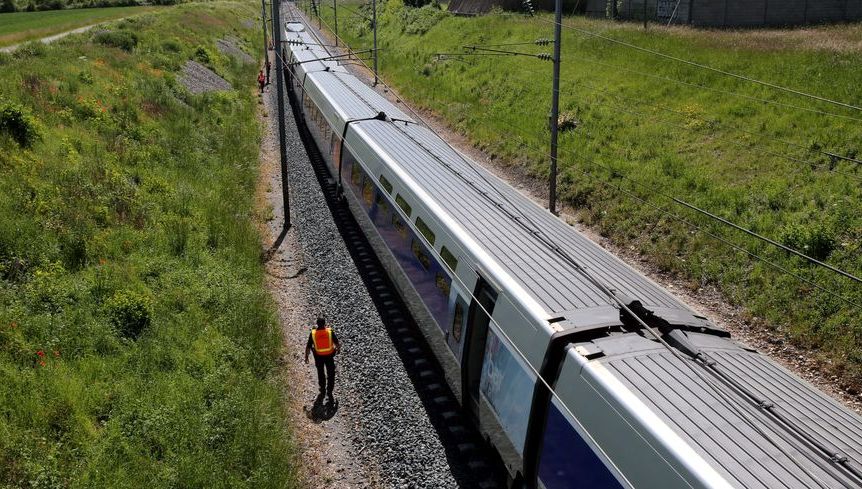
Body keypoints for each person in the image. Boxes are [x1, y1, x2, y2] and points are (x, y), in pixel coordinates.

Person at [305, 316, 340, 402]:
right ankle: (330, 390)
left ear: (317, 324)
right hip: (329, 356)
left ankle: (322, 388)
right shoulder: (329, 332)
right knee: (331, 373)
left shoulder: (313, 333)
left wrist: (306, 356)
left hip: (319, 357)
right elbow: (337, 343)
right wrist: (338, 350)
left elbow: (308, 346)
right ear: (325, 324)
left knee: (320, 372)